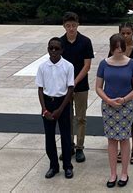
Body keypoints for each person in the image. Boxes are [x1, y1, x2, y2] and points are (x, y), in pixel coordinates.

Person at [96, 34, 133, 188]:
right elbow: (98, 87)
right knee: (111, 139)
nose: (119, 52)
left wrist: (124, 99)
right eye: (116, 49)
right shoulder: (104, 64)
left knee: (124, 138)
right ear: (111, 48)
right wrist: (108, 100)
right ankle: (113, 172)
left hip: (126, 106)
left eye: (121, 49)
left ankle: (124, 172)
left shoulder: (132, 64)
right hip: (108, 106)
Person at [109, 22, 133, 165]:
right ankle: (121, 149)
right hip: (118, 91)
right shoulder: (115, 49)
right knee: (119, 121)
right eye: (123, 33)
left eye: (128, 33)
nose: (125, 36)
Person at [36, 37, 74, 179]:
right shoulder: (42, 67)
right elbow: (40, 89)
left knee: (65, 136)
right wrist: (44, 109)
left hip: (62, 102)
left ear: (62, 50)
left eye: (56, 48)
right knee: (49, 137)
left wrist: (60, 109)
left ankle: (67, 166)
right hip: (48, 103)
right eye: (51, 48)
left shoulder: (68, 66)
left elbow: (70, 89)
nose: (53, 51)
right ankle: (53, 165)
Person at [60, 11, 94, 163]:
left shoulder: (85, 41)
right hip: (64, 87)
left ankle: (80, 147)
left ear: (78, 25)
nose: (71, 28)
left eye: (73, 25)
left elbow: (87, 65)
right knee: (66, 118)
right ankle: (69, 146)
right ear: (64, 26)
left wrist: (74, 81)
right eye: (68, 26)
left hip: (81, 86)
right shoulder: (60, 42)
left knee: (80, 118)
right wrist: (67, 83)